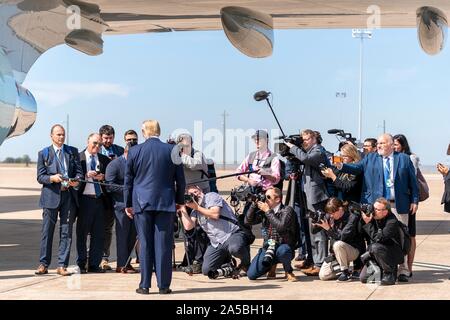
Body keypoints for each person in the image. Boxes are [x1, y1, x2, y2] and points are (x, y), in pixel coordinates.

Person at [336, 133, 418, 282]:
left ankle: (403, 270)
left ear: (391, 144)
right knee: (376, 237)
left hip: (397, 204)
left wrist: (415, 200)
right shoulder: (370, 158)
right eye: (378, 143)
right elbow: (356, 168)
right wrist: (341, 166)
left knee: (401, 238)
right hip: (377, 206)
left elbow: (413, 182)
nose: (378, 145)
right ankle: (381, 268)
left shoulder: (404, 159)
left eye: (382, 143)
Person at [124, 120, 185, 295]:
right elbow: (180, 180)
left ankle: (144, 285)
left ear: (144, 132)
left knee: (145, 243)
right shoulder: (172, 151)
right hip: (166, 204)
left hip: (141, 203)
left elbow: (128, 182)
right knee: (164, 245)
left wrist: (128, 204)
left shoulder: (134, 151)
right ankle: (164, 285)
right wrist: (179, 200)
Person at [35, 124, 83, 276]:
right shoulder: (44, 153)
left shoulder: (72, 152)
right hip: (51, 197)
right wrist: (52, 178)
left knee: (66, 232)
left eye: (63, 134)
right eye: (58, 135)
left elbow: (79, 173)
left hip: (68, 196)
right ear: (51, 136)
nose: (61, 137)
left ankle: (62, 265)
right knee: (47, 232)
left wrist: (76, 181)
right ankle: (43, 263)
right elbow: (40, 176)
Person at [179, 185, 251, 278]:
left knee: (235, 248)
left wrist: (197, 207)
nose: (195, 195)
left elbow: (215, 214)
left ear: (200, 189)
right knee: (206, 270)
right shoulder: (195, 211)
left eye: (196, 192)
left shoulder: (211, 196)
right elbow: (188, 227)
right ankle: (228, 265)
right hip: (216, 243)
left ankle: (245, 263)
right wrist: (182, 208)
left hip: (232, 234)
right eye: (192, 195)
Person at [285, 129, 330, 276]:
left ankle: (320, 263)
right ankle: (313, 260)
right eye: (302, 140)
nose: (304, 142)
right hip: (307, 195)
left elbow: (306, 159)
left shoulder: (318, 151)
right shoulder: (309, 152)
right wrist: (291, 151)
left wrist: (293, 147)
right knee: (310, 230)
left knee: (317, 230)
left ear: (314, 139)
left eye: (306, 139)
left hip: (317, 197)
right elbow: (300, 159)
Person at [245, 187, 298, 281]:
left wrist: (268, 212)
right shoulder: (264, 211)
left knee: (283, 251)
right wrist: (254, 205)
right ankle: (272, 266)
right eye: (265, 196)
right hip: (269, 246)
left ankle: (288, 271)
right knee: (251, 275)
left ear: (278, 199)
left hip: (284, 246)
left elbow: (281, 227)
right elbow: (248, 221)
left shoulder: (287, 210)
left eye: (268, 197)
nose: (265, 199)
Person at [76, 133, 111, 273]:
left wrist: (103, 177)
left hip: (100, 200)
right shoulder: (78, 158)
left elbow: (110, 179)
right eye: (94, 143)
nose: (97, 146)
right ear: (87, 142)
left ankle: (94, 264)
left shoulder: (104, 160)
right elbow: (74, 179)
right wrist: (85, 176)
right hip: (85, 200)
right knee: (82, 234)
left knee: (99, 234)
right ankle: (81, 263)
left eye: (99, 144)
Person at [105, 142, 138, 274]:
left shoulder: (136, 164)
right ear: (126, 153)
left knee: (132, 236)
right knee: (122, 235)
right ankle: (120, 264)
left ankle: (127, 262)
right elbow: (109, 185)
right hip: (120, 205)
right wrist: (126, 189)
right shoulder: (115, 164)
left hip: (135, 206)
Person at [317, 198, 365, 281]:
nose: (331, 215)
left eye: (332, 213)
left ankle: (345, 272)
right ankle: (343, 269)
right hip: (336, 253)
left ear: (340, 209)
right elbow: (313, 231)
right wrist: (316, 221)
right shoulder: (330, 216)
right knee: (323, 276)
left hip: (353, 250)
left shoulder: (352, 217)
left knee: (338, 244)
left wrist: (328, 229)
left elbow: (341, 237)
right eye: (329, 213)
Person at [359, 198, 405, 286]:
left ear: (385, 211)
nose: (374, 211)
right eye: (374, 208)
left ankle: (389, 274)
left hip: (391, 254)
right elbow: (360, 233)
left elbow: (378, 239)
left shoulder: (392, 222)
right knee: (364, 278)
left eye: (377, 210)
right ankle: (380, 270)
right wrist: (361, 219)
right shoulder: (373, 217)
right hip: (376, 254)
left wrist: (368, 224)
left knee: (376, 246)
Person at [393, 134, 421, 277]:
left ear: (403, 145)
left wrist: (413, 201)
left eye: (396, 144)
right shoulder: (390, 158)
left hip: (407, 203)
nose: (394, 146)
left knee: (410, 235)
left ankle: (408, 266)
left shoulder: (410, 158)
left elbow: (411, 180)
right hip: (396, 202)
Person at [99, 124, 124, 270]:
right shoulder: (96, 150)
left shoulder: (120, 151)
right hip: (101, 194)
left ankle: (106, 257)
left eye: (110, 138)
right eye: (105, 138)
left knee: (111, 228)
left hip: (117, 194)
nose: (108, 141)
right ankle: (99, 256)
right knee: (101, 228)